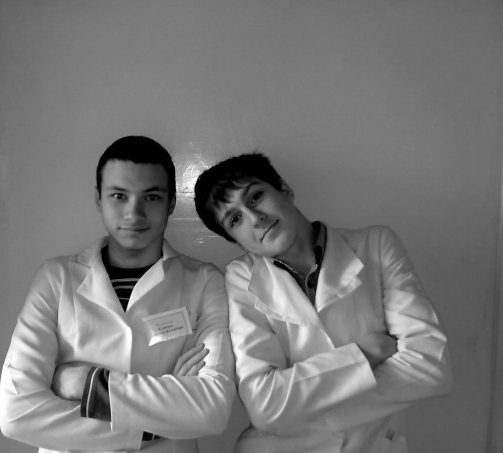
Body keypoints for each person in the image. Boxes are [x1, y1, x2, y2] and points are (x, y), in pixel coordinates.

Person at [194, 152, 453, 453]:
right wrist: (365, 354)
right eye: (235, 219)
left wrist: (300, 409)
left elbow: (432, 368)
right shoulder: (240, 277)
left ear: (284, 189)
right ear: (235, 240)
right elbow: (264, 406)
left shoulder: (377, 246)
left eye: (255, 197)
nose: (255, 218)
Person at [0, 136, 236, 453]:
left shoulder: (205, 281)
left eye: (151, 197)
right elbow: (17, 414)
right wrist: (153, 422)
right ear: (99, 199)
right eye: (119, 196)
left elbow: (212, 409)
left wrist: (87, 383)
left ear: (171, 203)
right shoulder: (55, 279)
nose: (134, 213)